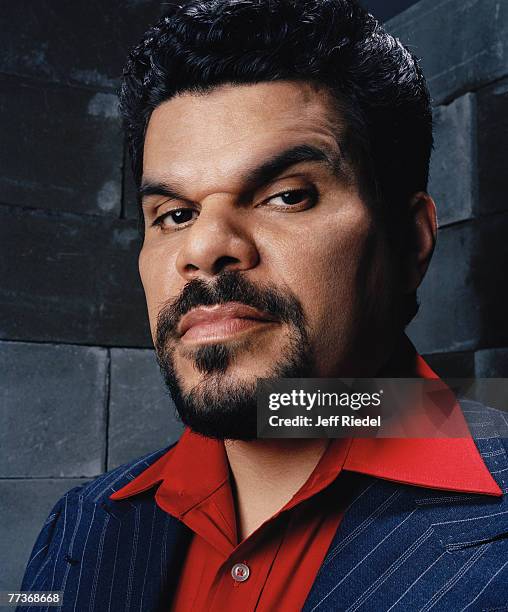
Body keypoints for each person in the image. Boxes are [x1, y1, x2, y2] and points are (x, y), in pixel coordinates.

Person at [18, 1, 508, 610]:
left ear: (409, 244)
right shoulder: (77, 530)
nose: (203, 248)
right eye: (174, 215)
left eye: (286, 197)